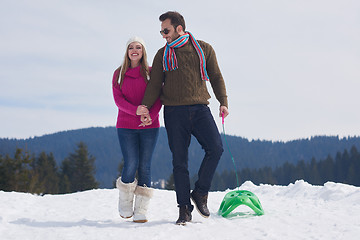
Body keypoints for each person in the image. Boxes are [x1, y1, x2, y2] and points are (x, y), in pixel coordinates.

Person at [140, 11, 229, 225]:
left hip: (200, 109)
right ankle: (184, 209)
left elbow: (216, 76)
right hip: (174, 112)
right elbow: (154, 84)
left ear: (179, 28)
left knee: (216, 148)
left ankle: (200, 193)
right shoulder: (163, 54)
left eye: (166, 30)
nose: (163, 35)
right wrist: (145, 106)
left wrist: (223, 101)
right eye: (161, 31)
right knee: (180, 161)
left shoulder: (204, 49)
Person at [112, 36, 162, 223]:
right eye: (131, 47)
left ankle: (141, 210)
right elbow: (118, 100)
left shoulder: (151, 73)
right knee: (131, 163)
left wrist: (151, 115)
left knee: (145, 166)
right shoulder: (119, 74)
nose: (134, 50)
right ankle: (125, 203)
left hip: (150, 126)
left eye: (138, 47)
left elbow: (159, 97)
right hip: (126, 125)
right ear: (127, 51)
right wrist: (136, 111)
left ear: (143, 52)